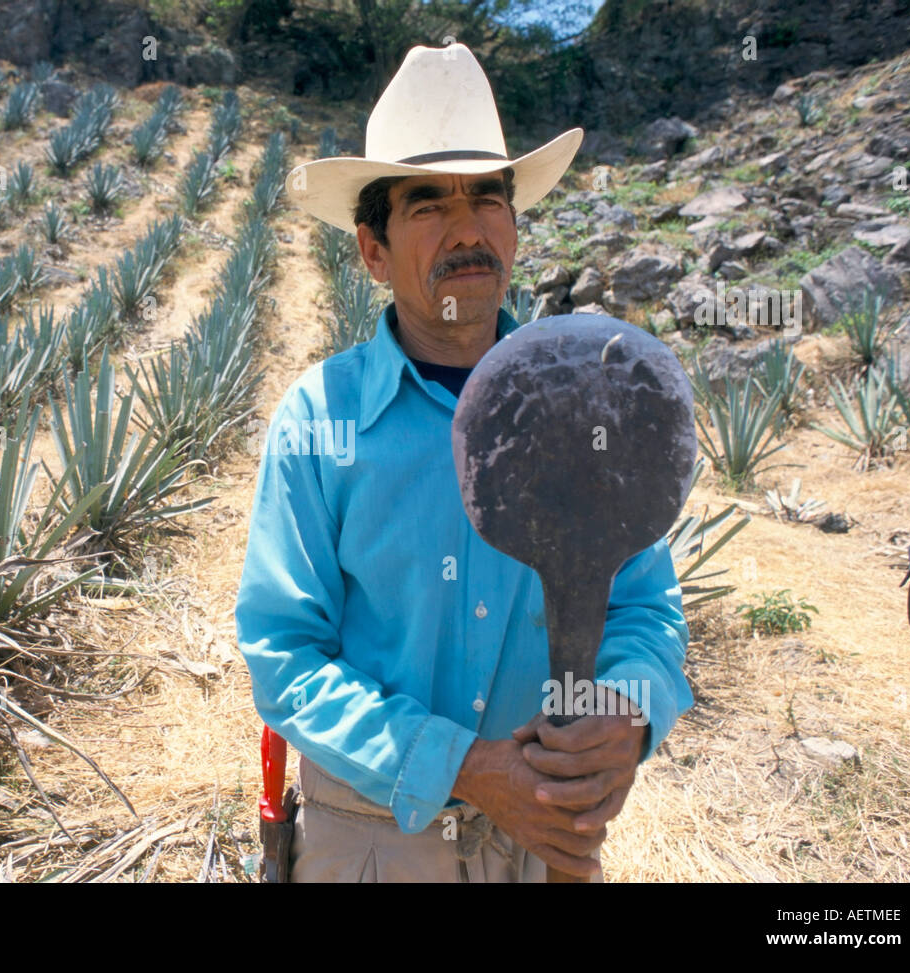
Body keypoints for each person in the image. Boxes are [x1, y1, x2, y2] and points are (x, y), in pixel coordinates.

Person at [235, 42, 694, 882]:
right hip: (373, 838)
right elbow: (285, 654)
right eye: (426, 205)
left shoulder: (592, 405)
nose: (467, 227)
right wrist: (467, 768)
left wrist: (624, 714)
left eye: (487, 197)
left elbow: (644, 612)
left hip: (547, 837)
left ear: (513, 228)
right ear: (372, 252)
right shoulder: (321, 418)